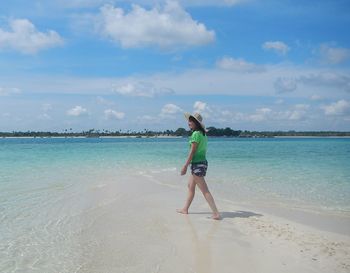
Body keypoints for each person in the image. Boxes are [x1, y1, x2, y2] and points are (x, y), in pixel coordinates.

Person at [177, 113, 220, 220]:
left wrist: (185, 166)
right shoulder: (203, 134)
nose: (189, 123)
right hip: (201, 163)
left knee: (204, 190)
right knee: (190, 186)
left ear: (196, 123)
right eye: (189, 121)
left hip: (197, 164)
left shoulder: (196, 134)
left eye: (191, 121)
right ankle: (185, 209)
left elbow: (192, 151)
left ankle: (216, 213)